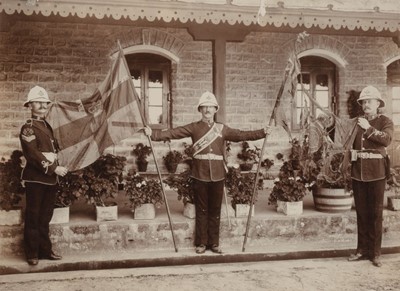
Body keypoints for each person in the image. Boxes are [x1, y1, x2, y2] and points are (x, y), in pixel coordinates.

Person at [144, 91, 270, 254]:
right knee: (202, 209)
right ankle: (201, 243)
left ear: (215, 109)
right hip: (200, 173)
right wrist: (153, 134)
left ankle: (214, 243)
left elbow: (241, 134)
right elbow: (173, 133)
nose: (207, 110)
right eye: (204, 106)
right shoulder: (194, 127)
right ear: (200, 109)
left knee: (215, 209)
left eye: (210, 106)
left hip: (218, 174)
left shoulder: (222, 129)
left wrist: (262, 132)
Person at [19, 86, 68, 266]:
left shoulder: (47, 126)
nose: (42, 105)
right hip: (36, 178)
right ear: (30, 105)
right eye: (38, 102)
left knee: (45, 216)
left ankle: (45, 251)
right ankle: (32, 253)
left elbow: (52, 150)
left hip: (49, 179)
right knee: (33, 215)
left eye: (44, 102)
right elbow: (33, 154)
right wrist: (53, 169)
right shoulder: (28, 128)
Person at [348, 85, 394, 267]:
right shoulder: (356, 122)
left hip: (377, 173)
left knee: (376, 214)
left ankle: (375, 253)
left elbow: (387, 140)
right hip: (358, 173)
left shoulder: (385, 121)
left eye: (369, 101)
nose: (366, 104)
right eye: (364, 102)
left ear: (378, 103)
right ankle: (361, 250)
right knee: (361, 213)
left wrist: (368, 128)